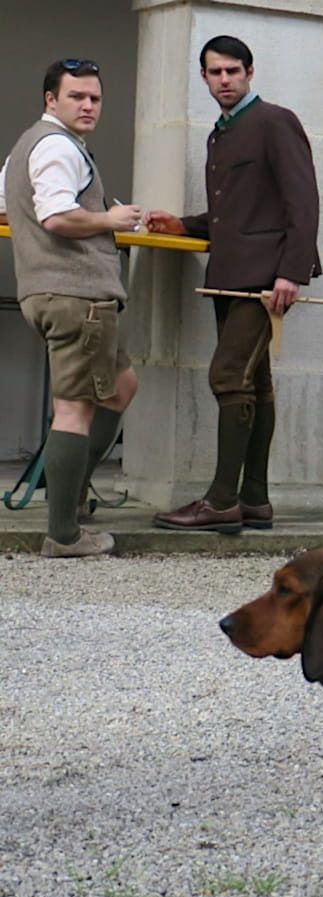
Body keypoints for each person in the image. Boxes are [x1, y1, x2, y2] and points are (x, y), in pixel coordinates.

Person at [144, 34, 321, 533]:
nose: (224, 79)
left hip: (265, 280)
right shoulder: (220, 132)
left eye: (232, 71)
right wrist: (185, 224)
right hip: (229, 277)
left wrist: (291, 271)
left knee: (227, 377)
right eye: (215, 72)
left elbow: (303, 202)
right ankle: (255, 500)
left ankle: (221, 502)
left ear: (249, 72)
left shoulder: (274, 120)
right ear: (203, 77)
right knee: (254, 384)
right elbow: (235, 214)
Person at [1, 59, 141, 557]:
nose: (87, 106)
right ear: (50, 99)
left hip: (51, 292)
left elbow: (9, 206)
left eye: (94, 98)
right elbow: (57, 216)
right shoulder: (57, 146)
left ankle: (72, 497)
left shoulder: (27, 148)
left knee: (120, 387)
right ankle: (64, 533)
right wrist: (112, 218)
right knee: (75, 410)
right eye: (76, 96)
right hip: (74, 296)